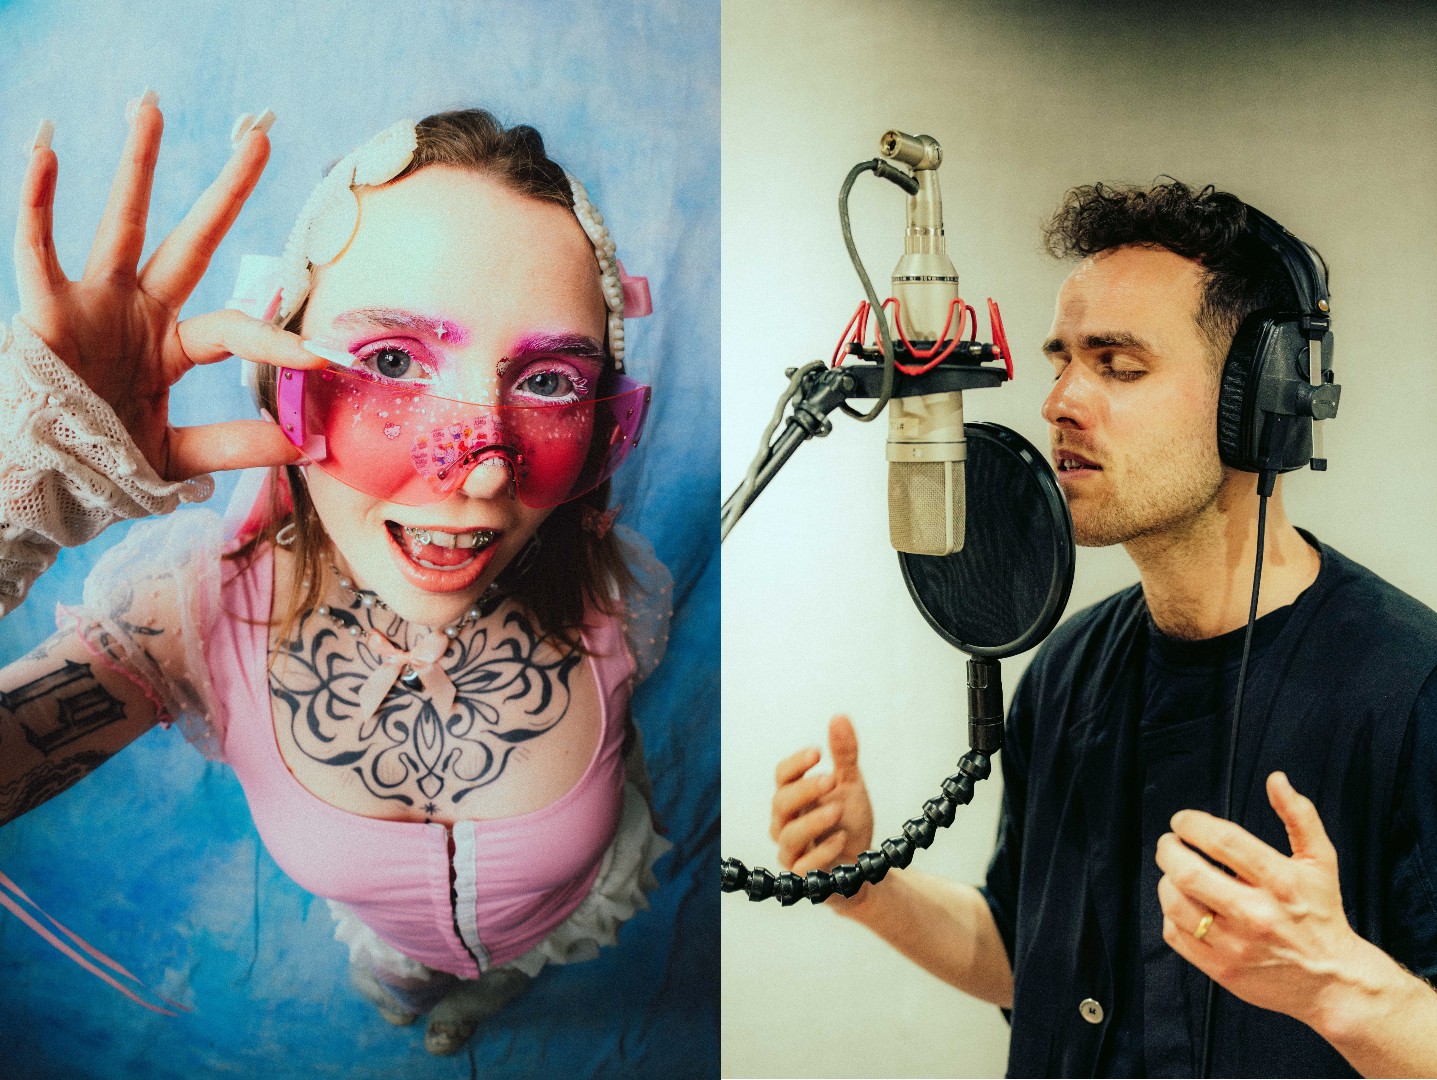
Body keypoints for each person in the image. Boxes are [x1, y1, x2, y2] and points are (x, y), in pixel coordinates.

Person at [0, 96, 671, 1057]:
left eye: (549, 382)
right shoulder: (187, 613)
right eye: (391, 361)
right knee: (396, 977)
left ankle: (483, 990)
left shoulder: (606, 582)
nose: (483, 472)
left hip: (547, 921)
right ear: (275, 371)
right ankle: (408, 985)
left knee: (523, 957)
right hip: (389, 935)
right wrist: (9, 500)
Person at [770, 180, 1437, 1077]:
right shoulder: (1068, 664)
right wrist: (862, 877)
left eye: (1118, 366)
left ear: (1256, 399)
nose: (1060, 403)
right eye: (1060, 362)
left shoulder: (1409, 689)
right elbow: (1024, 958)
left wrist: (1336, 984)